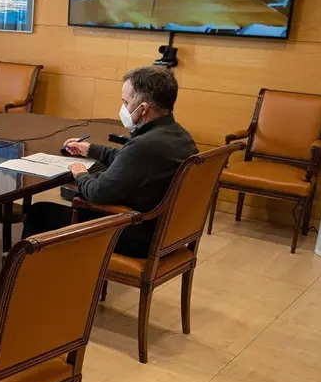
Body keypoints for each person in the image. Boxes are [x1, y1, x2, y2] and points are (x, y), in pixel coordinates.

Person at [20, 66, 197, 258]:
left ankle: (31, 281)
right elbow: (130, 160)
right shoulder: (181, 137)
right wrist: (90, 149)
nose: (123, 108)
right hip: (166, 233)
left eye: (126, 102)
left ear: (144, 108)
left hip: (137, 236)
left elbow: (97, 193)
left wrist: (80, 174)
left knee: (40, 213)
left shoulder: (145, 145)